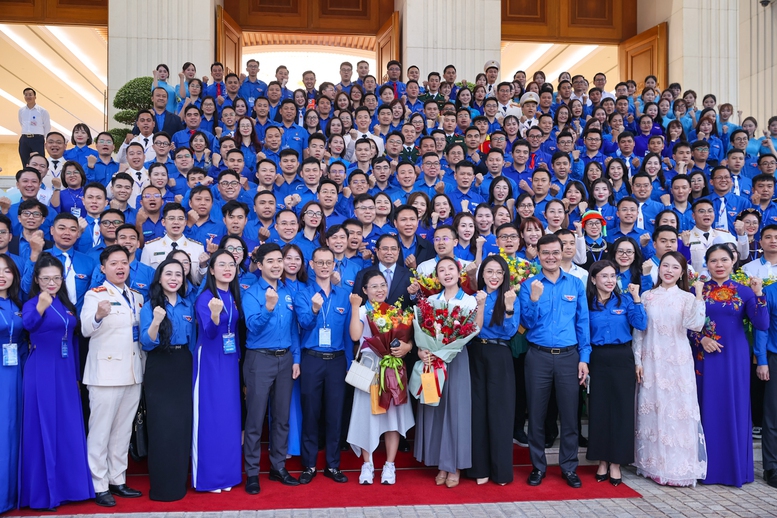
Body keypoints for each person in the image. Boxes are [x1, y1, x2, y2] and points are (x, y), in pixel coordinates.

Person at [689, 244, 768, 487]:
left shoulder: (743, 291)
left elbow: (762, 323)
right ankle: (707, 469)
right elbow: (687, 324)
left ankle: (734, 469)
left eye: (724, 259)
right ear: (707, 264)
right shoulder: (697, 290)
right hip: (704, 356)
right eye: (714, 260)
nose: (719, 265)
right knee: (707, 407)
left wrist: (759, 294)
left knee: (734, 407)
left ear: (733, 261)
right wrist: (701, 338)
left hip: (735, 356)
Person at [19, 253, 94, 510]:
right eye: (46, 278)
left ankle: (71, 487)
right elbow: (28, 325)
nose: (51, 282)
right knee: (44, 426)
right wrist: (40, 305)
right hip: (41, 369)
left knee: (68, 427)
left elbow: (72, 340)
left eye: (56, 278)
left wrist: (75, 375)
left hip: (64, 372)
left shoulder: (65, 304)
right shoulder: (32, 302)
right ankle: (44, 492)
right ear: (37, 280)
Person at [519, 234, 590, 489]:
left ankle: (569, 467)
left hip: (569, 357)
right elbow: (526, 323)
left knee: (570, 415)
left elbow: (582, 323)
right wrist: (535, 299)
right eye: (545, 253)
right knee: (536, 415)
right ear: (538, 254)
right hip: (537, 355)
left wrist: (585, 358)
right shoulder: (529, 285)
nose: (550, 257)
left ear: (563, 253)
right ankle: (537, 467)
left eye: (555, 252)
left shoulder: (575, 284)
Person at [633, 251, 707, 486]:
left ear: (682, 272)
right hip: (652, 359)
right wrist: (638, 361)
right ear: (658, 268)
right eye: (665, 265)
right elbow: (639, 331)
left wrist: (698, 296)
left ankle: (679, 466)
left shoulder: (686, 297)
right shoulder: (647, 296)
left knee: (679, 410)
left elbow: (695, 325)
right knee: (653, 406)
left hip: (678, 360)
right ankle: (653, 464)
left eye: (675, 267)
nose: (669, 271)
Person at [81, 245, 145, 507]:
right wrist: (98, 315)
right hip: (105, 374)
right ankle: (98, 484)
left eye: (125, 263)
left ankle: (117, 479)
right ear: (103, 268)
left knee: (122, 431)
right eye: (114, 263)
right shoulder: (95, 296)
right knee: (101, 432)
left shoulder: (137, 296)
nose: (120, 267)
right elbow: (85, 329)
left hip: (132, 373)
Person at [242, 243, 301, 494]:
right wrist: (267, 307)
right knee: (255, 420)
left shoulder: (287, 293)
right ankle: (252, 473)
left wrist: (296, 358)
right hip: (259, 359)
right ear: (260, 264)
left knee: (282, 418)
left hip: (285, 359)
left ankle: (278, 467)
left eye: (280, 260)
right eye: (271, 261)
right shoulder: (251, 293)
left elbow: (293, 329)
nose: (277, 265)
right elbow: (252, 327)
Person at [347, 271, 415, 485]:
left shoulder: (395, 312)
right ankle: (367, 465)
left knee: (392, 419)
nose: (379, 290)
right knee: (367, 416)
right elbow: (355, 336)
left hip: (392, 369)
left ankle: (389, 465)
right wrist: (355, 307)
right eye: (374, 286)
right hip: (369, 369)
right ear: (365, 290)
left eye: (382, 285)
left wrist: (407, 347)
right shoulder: (361, 310)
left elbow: (409, 340)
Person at [414, 257, 475, 488]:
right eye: (441, 270)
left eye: (451, 269)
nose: (446, 273)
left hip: (456, 359)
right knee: (435, 409)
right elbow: (421, 332)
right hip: (433, 360)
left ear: (459, 273)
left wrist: (448, 348)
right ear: (436, 276)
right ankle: (440, 463)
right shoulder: (430, 300)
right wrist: (422, 351)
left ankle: (455, 466)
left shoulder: (469, 300)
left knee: (456, 412)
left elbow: (472, 331)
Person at [584, 260, 647, 486]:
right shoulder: (587, 303)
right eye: (604, 276)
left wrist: (637, 299)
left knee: (622, 411)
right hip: (597, 358)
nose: (610, 280)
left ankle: (616, 463)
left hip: (622, 358)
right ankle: (602, 460)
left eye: (613, 276)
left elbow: (641, 324)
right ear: (593, 279)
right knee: (599, 410)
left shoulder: (626, 300)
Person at [294, 247, 353, 484]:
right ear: (312, 264)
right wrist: (315, 309)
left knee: (334, 414)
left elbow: (349, 334)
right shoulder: (302, 294)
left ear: (334, 266)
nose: (325, 266)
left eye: (329, 262)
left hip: (337, 361)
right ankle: (309, 465)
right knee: (310, 413)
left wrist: (349, 363)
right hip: (312, 359)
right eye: (320, 262)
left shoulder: (345, 295)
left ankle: (333, 465)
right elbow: (304, 325)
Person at [139, 258, 195, 501]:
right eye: (168, 273)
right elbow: (146, 341)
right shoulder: (150, 304)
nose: (174, 278)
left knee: (181, 426)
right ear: (159, 278)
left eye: (179, 274)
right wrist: (156, 321)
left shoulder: (187, 305)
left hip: (182, 365)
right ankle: (162, 487)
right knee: (161, 427)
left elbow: (192, 341)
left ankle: (178, 484)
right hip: (159, 367)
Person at [192, 250, 244, 493]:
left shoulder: (233, 295)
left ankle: (228, 475)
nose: (227, 268)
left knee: (229, 416)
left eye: (231, 264)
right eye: (221, 264)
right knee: (210, 416)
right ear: (211, 270)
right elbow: (210, 334)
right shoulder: (206, 297)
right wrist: (214, 316)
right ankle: (210, 477)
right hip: (211, 361)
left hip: (230, 360)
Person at [469, 255, 520, 485]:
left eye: (499, 272)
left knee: (500, 414)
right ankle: (480, 468)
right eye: (489, 272)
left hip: (500, 355)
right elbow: (470, 330)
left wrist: (508, 308)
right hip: (475, 354)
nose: (494, 277)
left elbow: (510, 332)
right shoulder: (473, 298)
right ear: (482, 275)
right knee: (477, 412)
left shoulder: (511, 298)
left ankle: (501, 472)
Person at [0, 255, 24, 513]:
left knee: (11, 431)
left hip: (14, 371)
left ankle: (9, 495)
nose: (2, 275)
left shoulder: (16, 303)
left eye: (7, 270)